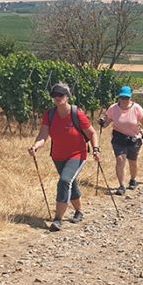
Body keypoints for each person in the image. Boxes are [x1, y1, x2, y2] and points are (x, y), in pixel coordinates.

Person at [28, 83, 100, 232]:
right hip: (57, 156)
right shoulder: (50, 114)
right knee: (70, 183)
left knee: (64, 181)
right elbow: (43, 135)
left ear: (67, 96)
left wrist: (95, 149)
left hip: (77, 155)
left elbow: (92, 133)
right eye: (54, 95)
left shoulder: (76, 113)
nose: (57, 98)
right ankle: (79, 211)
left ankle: (58, 219)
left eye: (60, 95)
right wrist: (35, 146)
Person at [98, 86, 143, 196]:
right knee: (120, 160)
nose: (124, 99)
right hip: (119, 138)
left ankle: (133, 179)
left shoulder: (137, 108)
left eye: (127, 97)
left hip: (134, 138)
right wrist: (103, 123)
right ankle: (121, 185)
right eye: (122, 97)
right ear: (119, 97)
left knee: (132, 162)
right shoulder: (113, 108)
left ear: (130, 97)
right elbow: (107, 122)